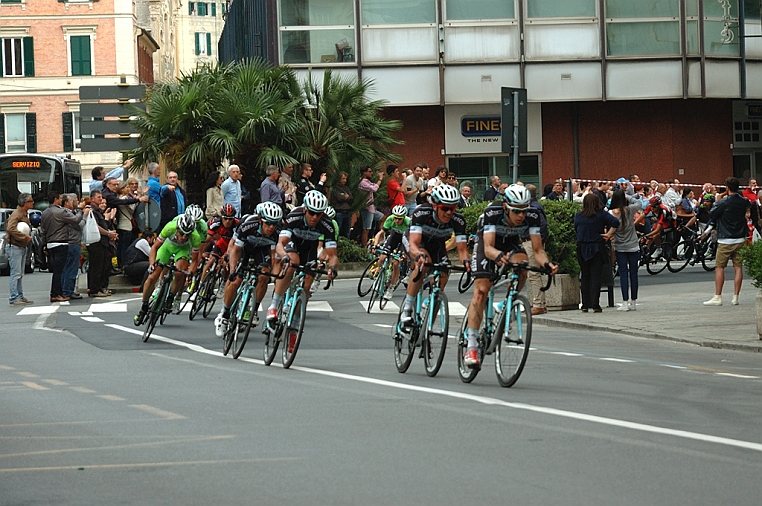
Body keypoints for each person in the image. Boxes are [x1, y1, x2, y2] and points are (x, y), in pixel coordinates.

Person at [464, 185, 558, 367]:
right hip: (489, 244)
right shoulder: (493, 212)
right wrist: (499, 257)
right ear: (506, 207)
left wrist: (547, 263)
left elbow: (538, 250)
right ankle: (472, 345)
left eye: (524, 210)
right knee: (482, 290)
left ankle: (507, 302)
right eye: (516, 211)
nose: (521, 216)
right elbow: (489, 247)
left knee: (523, 266)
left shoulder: (532, 216)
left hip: (510, 242)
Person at [265, 191, 338, 351]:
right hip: (293, 245)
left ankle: (294, 329)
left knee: (306, 286)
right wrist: (283, 256)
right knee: (293, 263)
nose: (314, 217)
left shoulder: (326, 224)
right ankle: (274, 305)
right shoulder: (295, 216)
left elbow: (332, 255)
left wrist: (332, 268)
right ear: (305, 209)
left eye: (318, 214)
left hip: (309, 250)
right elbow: (280, 244)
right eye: (311, 213)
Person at [400, 185, 471, 326]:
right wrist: (418, 255)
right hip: (417, 240)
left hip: (437, 244)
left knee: (444, 273)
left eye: (453, 208)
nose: (449, 212)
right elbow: (414, 244)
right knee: (424, 263)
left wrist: (468, 263)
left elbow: (462, 250)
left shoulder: (458, 221)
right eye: (445, 208)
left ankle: (427, 330)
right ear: (434, 206)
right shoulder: (421, 213)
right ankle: (407, 309)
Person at [214, 202, 283, 337]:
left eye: (274, 224)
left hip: (261, 249)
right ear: (259, 220)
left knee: (264, 276)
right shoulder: (247, 225)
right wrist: (233, 270)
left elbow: (274, 259)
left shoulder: (277, 233)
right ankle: (225, 314)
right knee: (236, 280)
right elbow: (234, 249)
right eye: (268, 223)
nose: (271, 227)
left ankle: (254, 310)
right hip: (243, 248)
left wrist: (276, 277)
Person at [133, 214, 202, 325]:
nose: (184, 237)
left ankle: (171, 297)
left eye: (187, 235)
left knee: (180, 272)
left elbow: (194, 261)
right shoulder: (169, 227)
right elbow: (154, 248)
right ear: (177, 229)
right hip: (166, 247)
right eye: (181, 233)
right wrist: (152, 264)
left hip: (183, 250)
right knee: (152, 277)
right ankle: (144, 307)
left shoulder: (195, 237)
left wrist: (190, 274)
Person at [704, 177, 751, 306]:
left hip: (725, 238)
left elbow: (712, 214)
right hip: (740, 237)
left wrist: (717, 200)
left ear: (727, 187)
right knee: (738, 267)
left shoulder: (723, 202)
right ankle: (736, 296)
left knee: (719, 267)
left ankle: (718, 296)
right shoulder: (744, 201)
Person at [575, 193, 619, 313]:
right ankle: (595, 304)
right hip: (597, 247)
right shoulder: (601, 214)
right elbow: (615, 222)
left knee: (585, 276)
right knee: (596, 276)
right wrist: (609, 234)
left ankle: (585, 304)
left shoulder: (578, 215)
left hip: (582, 247)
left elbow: (576, 229)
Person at [40, 191, 84, 302]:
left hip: (50, 243)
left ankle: (57, 292)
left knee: (58, 269)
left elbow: (43, 231)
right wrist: (80, 210)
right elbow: (75, 220)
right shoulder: (60, 212)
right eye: (59, 197)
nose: (61, 199)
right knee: (59, 271)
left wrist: (44, 244)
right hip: (61, 242)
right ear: (55, 199)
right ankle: (56, 293)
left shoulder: (45, 212)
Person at [609, 189, 642, 311]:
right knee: (634, 274)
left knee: (623, 274)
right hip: (633, 245)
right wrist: (627, 196)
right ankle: (633, 301)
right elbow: (639, 203)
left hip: (620, 246)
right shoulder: (630, 210)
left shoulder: (611, 213)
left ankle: (625, 302)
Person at [521, 184, 550, 315]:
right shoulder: (536, 206)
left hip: (531, 242)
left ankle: (538, 304)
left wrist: (537, 242)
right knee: (534, 273)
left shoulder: (533, 208)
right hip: (532, 242)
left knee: (533, 274)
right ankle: (539, 303)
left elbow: (542, 226)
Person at [373, 204, 410, 300]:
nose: (397, 221)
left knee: (395, 263)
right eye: (395, 218)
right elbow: (380, 233)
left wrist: (405, 254)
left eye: (399, 219)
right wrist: (375, 244)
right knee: (382, 258)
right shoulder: (390, 219)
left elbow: (411, 240)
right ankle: (380, 277)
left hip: (405, 240)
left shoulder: (408, 222)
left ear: (403, 218)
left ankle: (391, 288)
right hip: (394, 237)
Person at [86, 191, 119, 298]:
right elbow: (96, 227)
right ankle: (94, 289)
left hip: (102, 242)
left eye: (101, 197)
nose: (101, 199)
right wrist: (108, 233)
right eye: (98, 197)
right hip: (97, 242)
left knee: (102, 267)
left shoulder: (98, 211)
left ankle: (99, 287)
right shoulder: (93, 211)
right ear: (92, 199)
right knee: (97, 267)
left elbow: (103, 225)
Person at [6, 193, 34, 305]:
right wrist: (24, 237)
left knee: (20, 273)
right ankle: (14, 297)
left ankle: (20, 295)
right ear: (25, 203)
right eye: (31, 201)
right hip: (15, 246)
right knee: (16, 273)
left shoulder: (23, 214)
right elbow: (10, 228)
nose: (33, 203)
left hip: (21, 246)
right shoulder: (16, 214)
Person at [61, 194, 87, 300]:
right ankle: (67, 291)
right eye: (75, 200)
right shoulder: (67, 213)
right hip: (72, 243)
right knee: (71, 268)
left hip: (72, 242)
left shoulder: (71, 213)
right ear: (68, 202)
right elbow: (79, 225)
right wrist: (84, 214)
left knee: (68, 268)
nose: (77, 202)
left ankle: (67, 290)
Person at [358, 165, 384, 247]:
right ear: (364, 173)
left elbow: (373, 185)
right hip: (367, 208)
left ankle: (379, 240)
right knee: (366, 229)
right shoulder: (363, 182)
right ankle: (364, 248)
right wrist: (380, 179)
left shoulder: (368, 181)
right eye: (369, 171)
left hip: (372, 208)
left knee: (383, 218)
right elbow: (374, 189)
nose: (371, 173)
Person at [330, 171, 353, 238]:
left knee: (347, 231)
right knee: (338, 230)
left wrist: (346, 197)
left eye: (345, 179)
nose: (345, 180)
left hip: (347, 212)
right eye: (343, 178)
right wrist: (345, 197)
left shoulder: (346, 188)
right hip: (339, 212)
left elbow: (351, 198)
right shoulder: (335, 188)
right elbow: (339, 198)